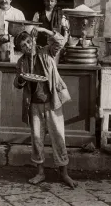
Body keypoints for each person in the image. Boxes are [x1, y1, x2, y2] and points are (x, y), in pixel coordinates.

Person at [13, 27, 77, 189]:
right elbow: (17, 83)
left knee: (58, 138)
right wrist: (21, 80)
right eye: (23, 46)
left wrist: (41, 29)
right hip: (34, 105)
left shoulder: (47, 52)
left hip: (52, 102)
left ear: (34, 40)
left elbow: (60, 41)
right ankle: (40, 172)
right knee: (37, 139)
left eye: (28, 42)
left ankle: (64, 173)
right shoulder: (21, 62)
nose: (27, 46)